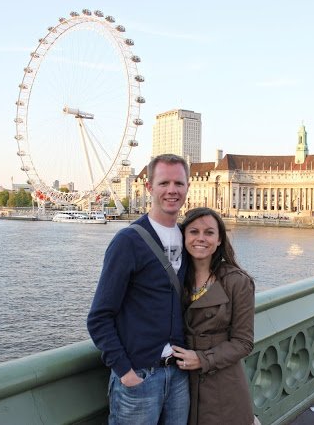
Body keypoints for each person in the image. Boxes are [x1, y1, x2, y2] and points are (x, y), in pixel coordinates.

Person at [87, 154, 191, 425]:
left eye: (179, 183)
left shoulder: (190, 239)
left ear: (188, 187)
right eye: (164, 183)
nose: (172, 190)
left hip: (179, 375)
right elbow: (99, 317)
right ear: (149, 187)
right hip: (140, 377)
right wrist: (125, 372)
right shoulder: (128, 241)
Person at [172, 207, 256, 425]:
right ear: (183, 236)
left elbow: (244, 342)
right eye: (194, 232)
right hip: (180, 382)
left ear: (219, 240)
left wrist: (201, 359)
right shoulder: (174, 278)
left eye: (209, 233)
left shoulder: (237, 282)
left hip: (222, 383)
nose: (201, 238)